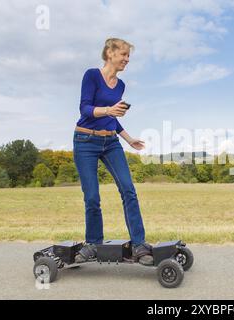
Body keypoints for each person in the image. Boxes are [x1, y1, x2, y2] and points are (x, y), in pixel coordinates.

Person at [73, 38, 153, 265]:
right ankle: (93, 244)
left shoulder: (120, 85)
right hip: (85, 140)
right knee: (92, 197)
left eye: (128, 56)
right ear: (110, 53)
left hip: (111, 143)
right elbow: (85, 108)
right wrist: (109, 109)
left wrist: (129, 139)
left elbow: (113, 119)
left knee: (128, 189)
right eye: (124, 55)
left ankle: (138, 245)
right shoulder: (91, 75)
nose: (127, 60)